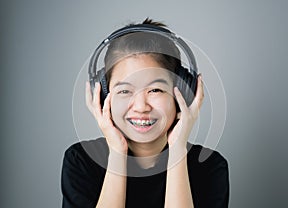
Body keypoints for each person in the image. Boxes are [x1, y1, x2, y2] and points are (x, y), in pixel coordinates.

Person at [61, 18, 229, 208]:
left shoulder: (210, 166)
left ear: (182, 93)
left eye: (155, 90)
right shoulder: (81, 161)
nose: (141, 107)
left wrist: (177, 151)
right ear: (103, 96)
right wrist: (117, 153)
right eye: (124, 91)